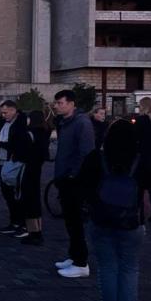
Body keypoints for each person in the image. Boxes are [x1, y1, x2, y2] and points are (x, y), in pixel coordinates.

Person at [79, 119, 147, 301]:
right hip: (131, 220)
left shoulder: (96, 159)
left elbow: (82, 185)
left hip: (101, 219)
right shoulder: (140, 161)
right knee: (129, 269)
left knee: (107, 267)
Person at [53, 89, 95, 278]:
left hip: (74, 180)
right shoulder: (65, 122)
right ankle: (74, 255)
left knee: (75, 221)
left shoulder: (81, 123)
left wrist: (72, 175)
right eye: (56, 103)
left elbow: (86, 152)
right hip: (65, 177)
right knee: (70, 221)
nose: (57, 106)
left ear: (71, 104)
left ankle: (81, 263)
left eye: (60, 103)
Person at [0, 101, 29, 238]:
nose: (3, 115)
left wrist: (0, 143)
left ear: (14, 110)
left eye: (5, 112)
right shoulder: (3, 122)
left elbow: (19, 143)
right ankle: (14, 222)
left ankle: (22, 223)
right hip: (2, 160)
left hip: (15, 162)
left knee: (17, 194)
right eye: (2, 112)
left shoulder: (21, 124)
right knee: (7, 193)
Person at [20, 110, 51, 245]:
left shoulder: (30, 133)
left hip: (29, 168)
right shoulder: (45, 132)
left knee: (29, 200)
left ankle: (34, 233)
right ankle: (38, 230)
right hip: (37, 168)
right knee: (35, 199)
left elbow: (23, 151)